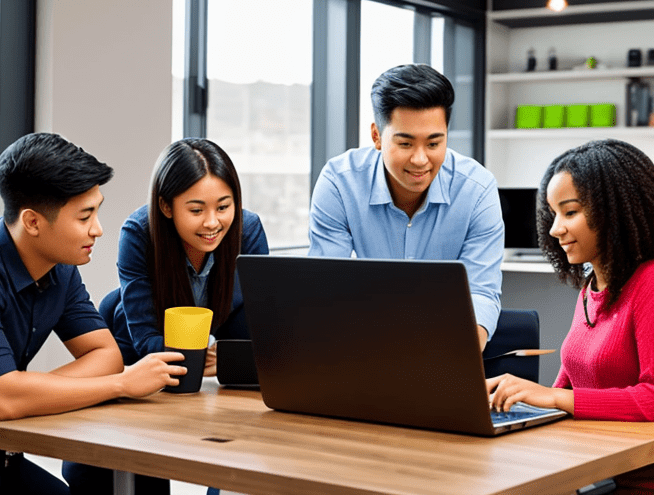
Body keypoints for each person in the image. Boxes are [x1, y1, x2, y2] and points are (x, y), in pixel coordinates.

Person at [0, 132, 187, 495]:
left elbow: (105, 356)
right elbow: (0, 401)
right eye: (85, 216)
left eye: (97, 211)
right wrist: (122, 384)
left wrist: (21, 390)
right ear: (32, 222)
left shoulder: (60, 269)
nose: (97, 229)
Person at [62, 138, 268, 495]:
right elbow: (145, 338)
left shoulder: (247, 232)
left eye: (224, 206)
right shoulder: (140, 233)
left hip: (206, 354)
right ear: (166, 206)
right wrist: (201, 358)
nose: (212, 222)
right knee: (109, 469)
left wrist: (229, 359)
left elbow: (262, 338)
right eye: (196, 210)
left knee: (244, 448)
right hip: (135, 350)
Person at [487, 138, 654, 492]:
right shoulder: (592, 288)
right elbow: (564, 389)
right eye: (553, 213)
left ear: (615, 209)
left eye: (570, 212)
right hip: (591, 469)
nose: (554, 229)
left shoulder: (649, 283)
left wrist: (552, 398)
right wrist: (513, 398)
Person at [308, 64, 503, 349]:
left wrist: (455, 359)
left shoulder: (477, 189)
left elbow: (481, 293)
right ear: (377, 136)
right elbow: (326, 289)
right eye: (405, 144)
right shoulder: (339, 182)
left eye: (433, 144)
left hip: (448, 348)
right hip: (364, 347)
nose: (420, 160)